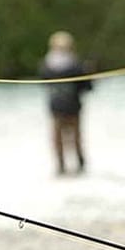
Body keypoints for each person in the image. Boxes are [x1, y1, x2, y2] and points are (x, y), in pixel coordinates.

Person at [39, 31, 93, 175]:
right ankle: (80, 167)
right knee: (75, 139)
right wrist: (89, 72)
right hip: (72, 108)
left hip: (56, 108)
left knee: (59, 141)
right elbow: (87, 88)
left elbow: (43, 84)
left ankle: (61, 169)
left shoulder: (46, 66)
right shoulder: (77, 66)